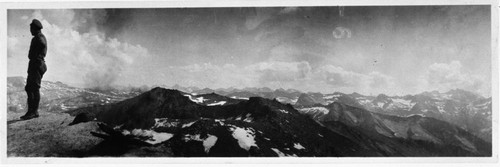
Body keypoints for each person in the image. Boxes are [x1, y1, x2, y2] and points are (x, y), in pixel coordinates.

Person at [21, 19, 47, 120]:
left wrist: (36, 55)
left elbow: (42, 43)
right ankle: (31, 111)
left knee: (34, 88)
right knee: (29, 88)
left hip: (37, 64)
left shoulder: (39, 37)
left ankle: (34, 112)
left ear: (35, 28)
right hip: (35, 65)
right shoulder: (37, 37)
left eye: (31, 28)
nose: (30, 30)